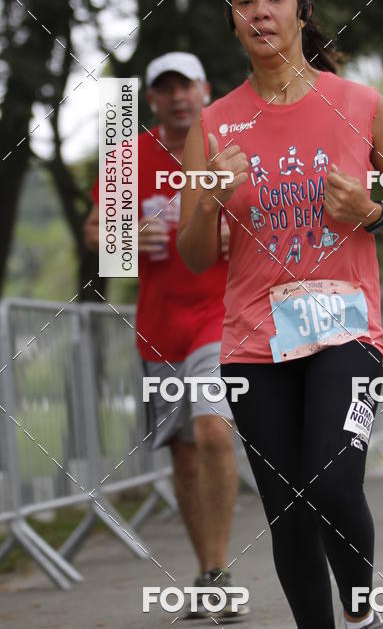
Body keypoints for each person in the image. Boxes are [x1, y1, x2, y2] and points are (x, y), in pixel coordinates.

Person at [176, 0, 383, 629]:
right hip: (253, 342)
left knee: (332, 482)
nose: (259, 10)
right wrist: (208, 198)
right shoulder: (213, 124)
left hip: (345, 329)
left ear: (301, 10)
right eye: (243, 0)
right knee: (286, 505)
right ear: (232, 20)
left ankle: (360, 614)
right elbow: (196, 255)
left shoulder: (360, 105)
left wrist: (373, 214)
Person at [84, 52, 248, 621]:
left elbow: (277, 212)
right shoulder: (128, 160)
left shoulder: (230, 149)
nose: (178, 97)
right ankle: (209, 571)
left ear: (206, 89)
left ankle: (223, 566)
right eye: (166, 89)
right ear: (152, 99)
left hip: (220, 319)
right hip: (159, 329)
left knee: (212, 433)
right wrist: (126, 234)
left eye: (188, 86)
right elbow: (97, 233)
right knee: (182, 455)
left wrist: (236, 228)